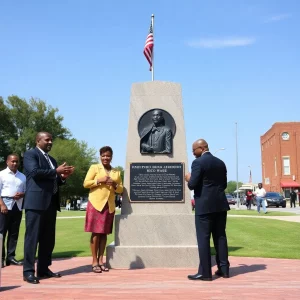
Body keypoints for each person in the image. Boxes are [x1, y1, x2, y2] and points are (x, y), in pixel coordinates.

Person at [23, 132, 74, 284]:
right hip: (36, 203)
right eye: (47, 139)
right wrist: (56, 171)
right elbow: (35, 173)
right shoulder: (30, 155)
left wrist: (62, 178)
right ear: (38, 140)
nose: (50, 142)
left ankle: (44, 269)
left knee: (48, 239)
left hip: (51, 203)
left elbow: (54, 179)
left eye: (52, 139)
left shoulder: (52, 160)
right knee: (32, 238)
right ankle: (28, 272)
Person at [185, 139, 230, 281]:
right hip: (220, 205)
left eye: (194, 150)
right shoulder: (220, 163)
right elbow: (223, 185)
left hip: (204, 207)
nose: (193, 153)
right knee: (220, 237)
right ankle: (224, 269)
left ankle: (205, 273)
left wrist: (188, 178)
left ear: (202, 148)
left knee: (203, 239)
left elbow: (192, 184)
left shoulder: (198, 163)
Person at [83, 146, 123, 273]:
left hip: (109, 205)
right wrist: (99, 180)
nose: (106, 158)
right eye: (103, 155)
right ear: (100, 156)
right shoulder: (95, 168)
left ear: (112, 157)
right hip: (96, 203)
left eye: (108, 156)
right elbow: (86, 183)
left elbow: (121, 189)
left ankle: (101, 260)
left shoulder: (116, 171)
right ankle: (94, 261)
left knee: (104, 234)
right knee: (96, 233)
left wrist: (115, 184)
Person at [0, 154, 26, 268]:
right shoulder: (1, 175)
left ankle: (10, 257)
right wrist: (2, 205)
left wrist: (22, 194)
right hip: (4, 205)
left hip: (18, 206)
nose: (15, 163)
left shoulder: (23, 176)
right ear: (7, 162)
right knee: (1, 233)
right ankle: (0, 258)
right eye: (12, 161)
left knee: (14, 233)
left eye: (17, 162)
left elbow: (26, 191)